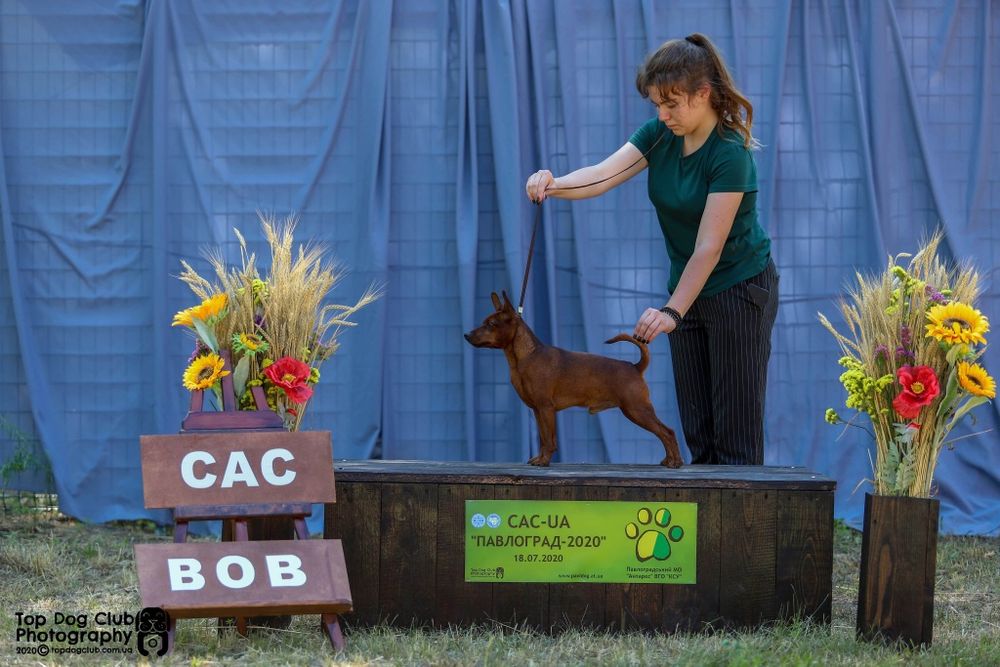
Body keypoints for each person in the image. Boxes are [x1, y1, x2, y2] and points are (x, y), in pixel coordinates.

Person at [524, 33, 778, 465]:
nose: (662, 115)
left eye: (671, 104)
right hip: (688, 291)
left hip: (739, 292)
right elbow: (602, 176)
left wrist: (671, 312)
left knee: (734, 436)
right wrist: (553, 184)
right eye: (656, 104)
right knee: (698, 431)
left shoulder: (730, 155)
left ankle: (743, 530)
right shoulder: (660, 135)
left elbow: (709, 247)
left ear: (703, 94)